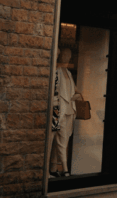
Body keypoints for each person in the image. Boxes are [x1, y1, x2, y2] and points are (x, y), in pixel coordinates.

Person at [49, 48, 81, 178]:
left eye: (70, 54)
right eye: (65, 54)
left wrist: (75, 96)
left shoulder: (68, 72)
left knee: (63, 139)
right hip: (58, 111)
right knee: (59, 141)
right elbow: (55, 92)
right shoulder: (56, 72)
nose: (67, 57)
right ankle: (65, 170)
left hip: (69, 111)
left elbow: (73, 91)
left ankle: (53, 168)